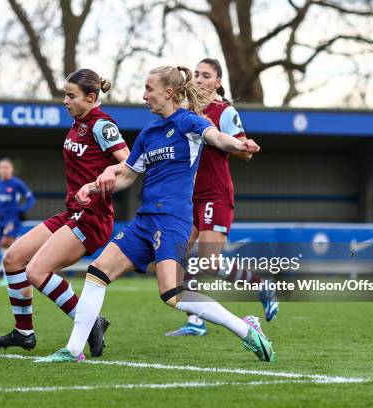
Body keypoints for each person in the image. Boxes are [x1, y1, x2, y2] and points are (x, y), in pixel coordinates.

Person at [35, 65, 274, 363]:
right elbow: (127, 176)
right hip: (145, 220)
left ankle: (246, 330)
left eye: (149, 89)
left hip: (173, 220)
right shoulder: (149, 133)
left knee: (171, 294)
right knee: (97, 272)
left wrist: (239, 142)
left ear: (168, 92)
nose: (144, 95)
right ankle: (72, 351)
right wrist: (94, 187)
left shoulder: (189, 121)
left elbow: (216, 138)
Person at [0, 69, 130, 357]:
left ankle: (90, 323)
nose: (64, 101)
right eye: (64, 94)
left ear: (91, 97)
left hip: (92, 216)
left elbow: (128, 164)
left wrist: (104, 177)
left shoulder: (102, 126)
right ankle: (24, 332)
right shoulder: (78, 124)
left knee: (37, 271)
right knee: (13, 259)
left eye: (71, 95)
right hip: (72, 212)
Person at [166, 58, 278, 338]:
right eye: (197, 75)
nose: (200, 79)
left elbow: (246, 152)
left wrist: (242, 145)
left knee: (208, 262)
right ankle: (195, 320)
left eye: (206, 75)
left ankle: (260, 285)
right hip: (190, 196)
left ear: (218, 82)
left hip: (215, 194)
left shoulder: (224, 111)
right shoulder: (188, 111)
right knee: (176, 258)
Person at [0, 158, 35, 286]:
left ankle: (9, 276)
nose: (4, 170)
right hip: (1, 219)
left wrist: (23, 210)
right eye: (1, 167)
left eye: (6, 167)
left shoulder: (17, 183)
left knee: (6, 242)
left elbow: (31, 199)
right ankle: (13, 274)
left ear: (11, 170)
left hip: (13, 219)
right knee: (4, 246)